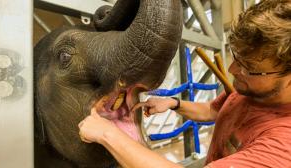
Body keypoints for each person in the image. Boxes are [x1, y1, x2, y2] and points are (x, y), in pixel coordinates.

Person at [78, 0, 291, 167]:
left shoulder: (283, 144)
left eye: (249, 66)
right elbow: (213, 110)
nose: (233, 70)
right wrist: (173, 104)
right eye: (237, 57)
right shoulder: (252, 91)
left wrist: (107, 133)